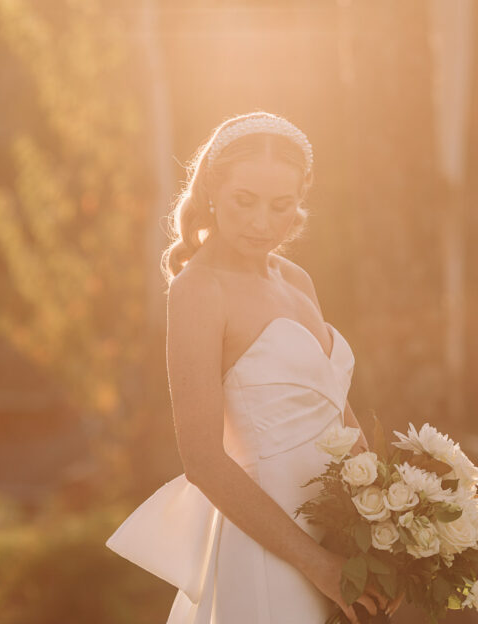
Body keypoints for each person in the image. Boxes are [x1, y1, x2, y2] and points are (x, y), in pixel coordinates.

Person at [106, 111, 403, 623]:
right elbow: (201, 460)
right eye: (245, 202)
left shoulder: (296, 279)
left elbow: (340, 414)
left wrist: (389, 531)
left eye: (281, 206)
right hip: (272, 549)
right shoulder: (199, 290)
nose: (262, 223)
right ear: (213, 190)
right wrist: (318, 565)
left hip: (340, 542)